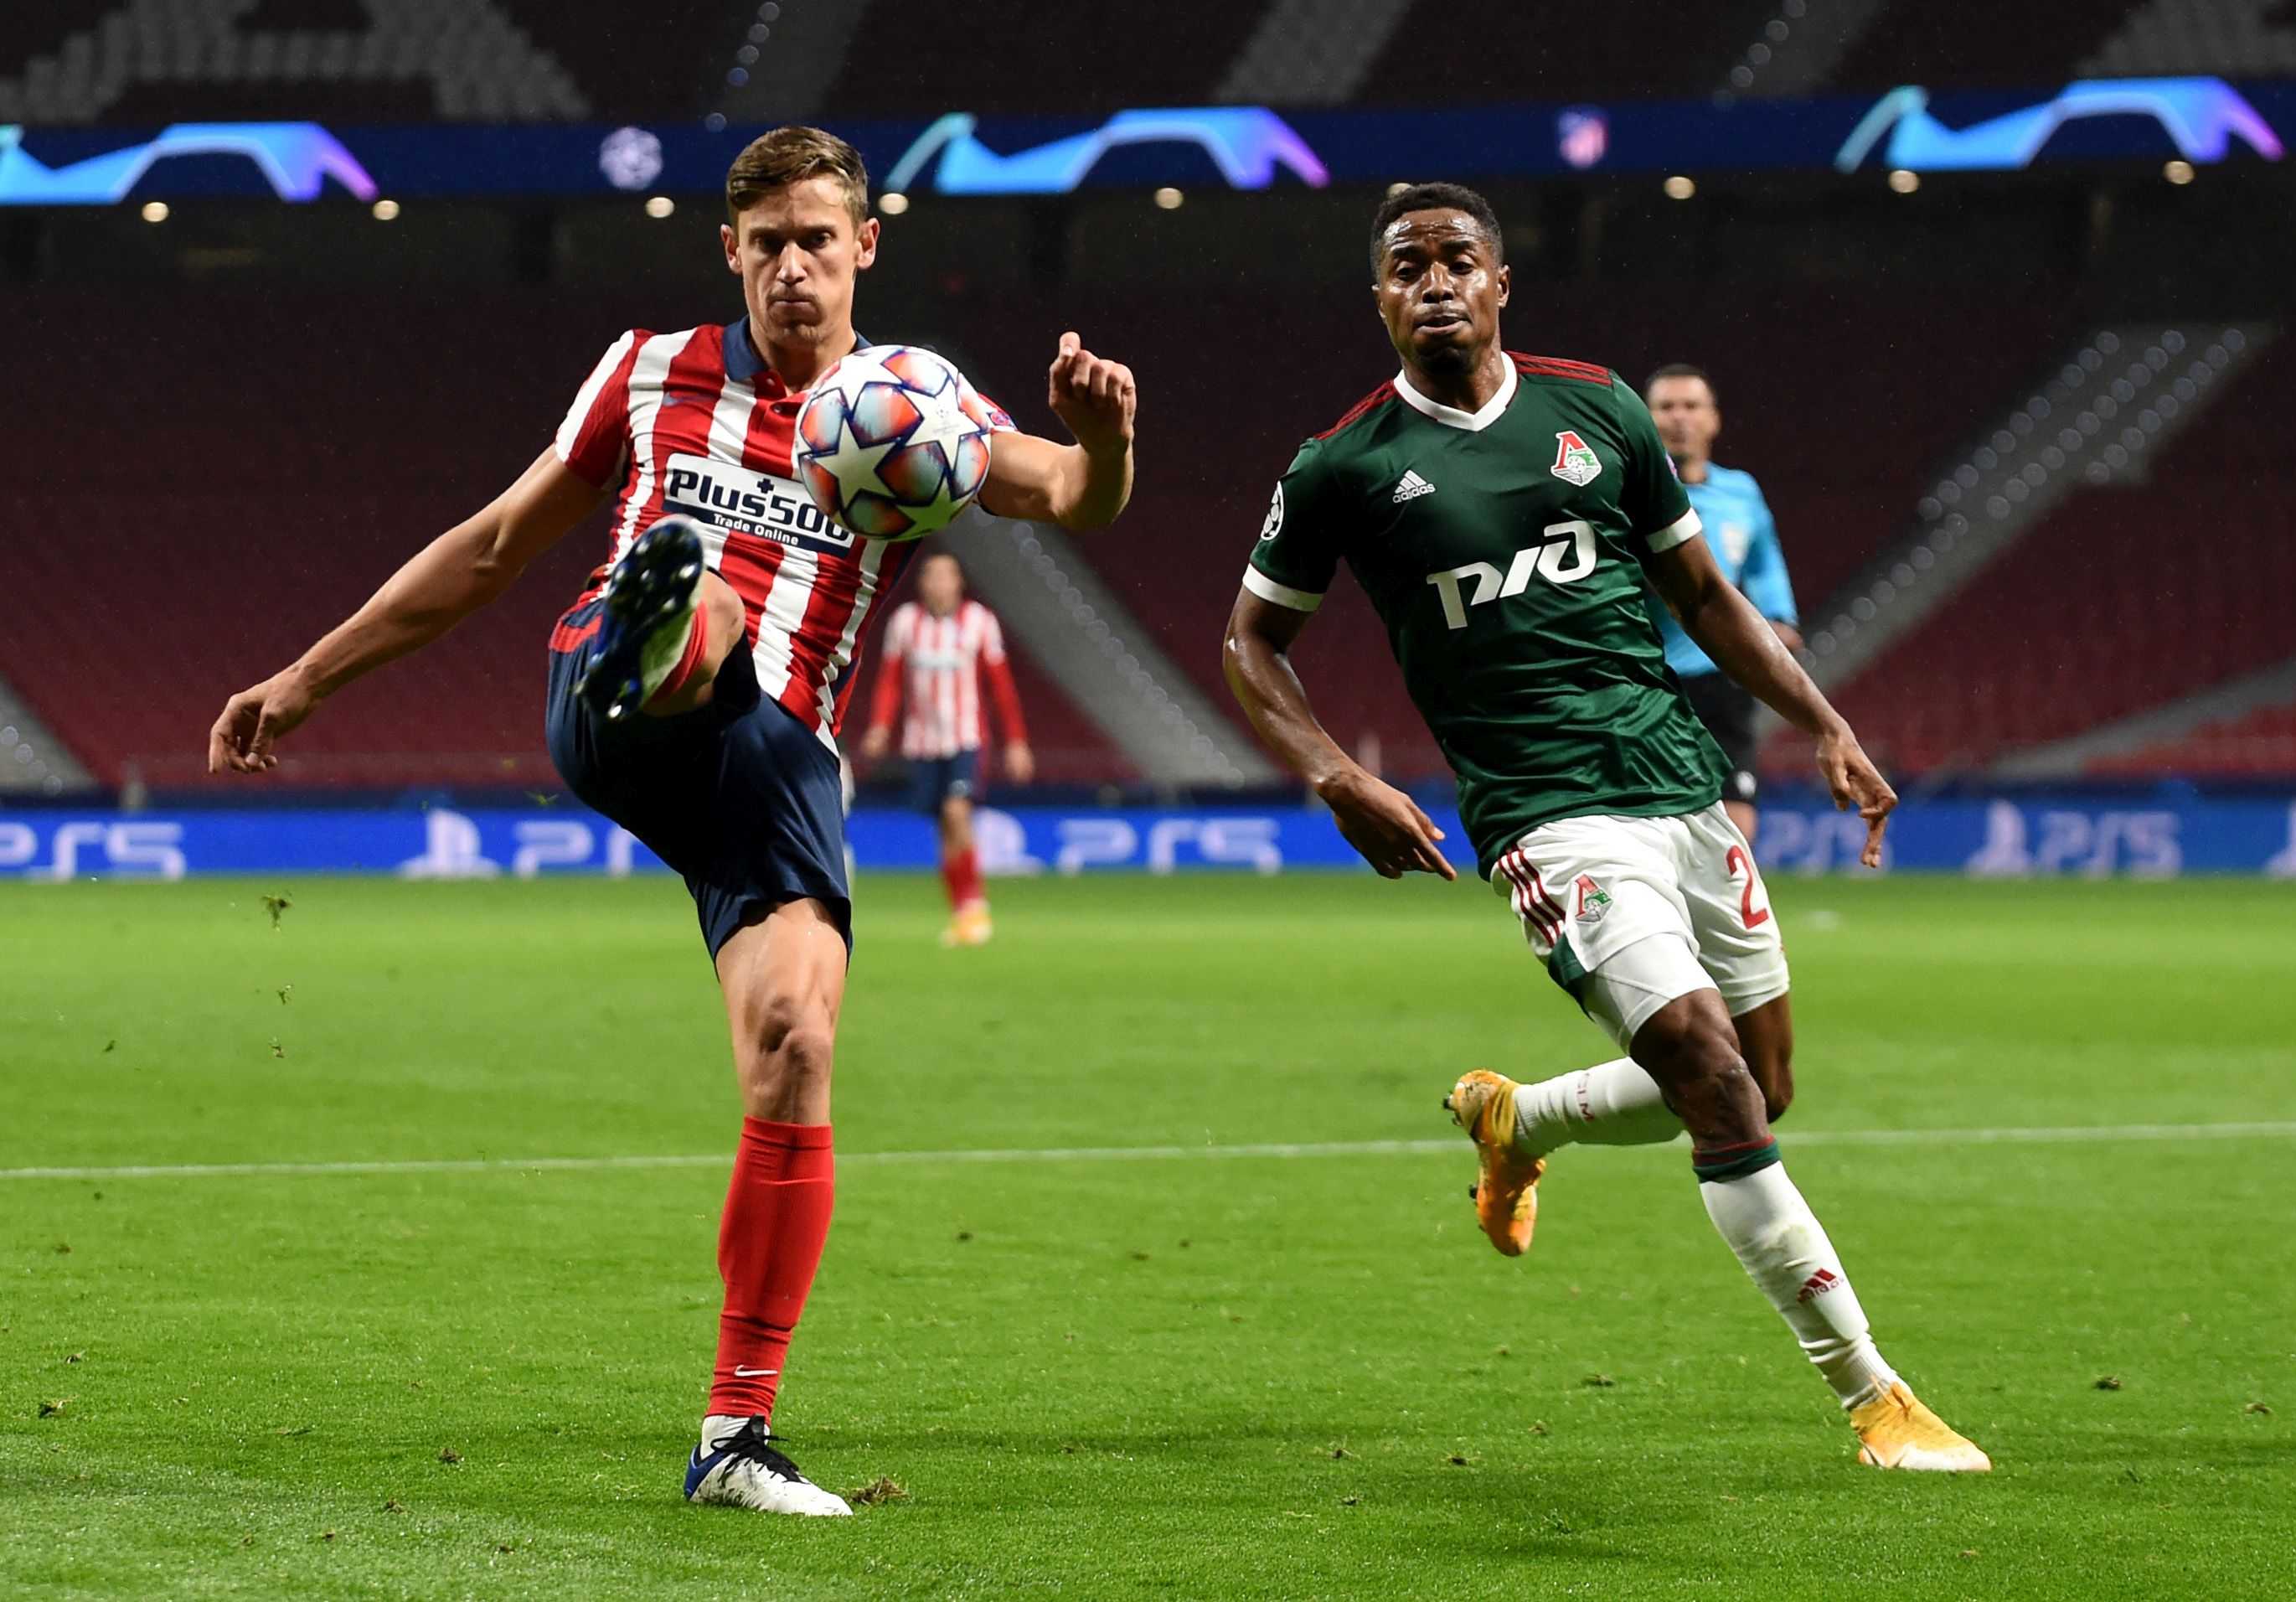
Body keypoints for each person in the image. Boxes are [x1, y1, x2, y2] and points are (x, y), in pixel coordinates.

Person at [206, 126, 1138, 1514]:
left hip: (773, 759)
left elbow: (1070, 494)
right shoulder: (648, 369)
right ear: (729, 252)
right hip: (614, 691)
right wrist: (306, 677)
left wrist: (1106, 436)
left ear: (864, 245)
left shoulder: (917, 404)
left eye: (815, 239)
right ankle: (667, 630)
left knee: (797, 1042)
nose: (791, 267)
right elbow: (492, 545)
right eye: (765, 244)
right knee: (696, 594)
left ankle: (734, 1438)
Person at [1221, 182, 1985, 1472]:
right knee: (1704, 1067)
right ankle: (1875, 1399)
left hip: (1680, 786)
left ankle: (1519, 1122)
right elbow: (1251, 641)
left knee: (1760, 1082)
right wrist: (1335, 776)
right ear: (1380, 300)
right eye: (1407, 267)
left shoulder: (1598, 409)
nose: (1434, 283)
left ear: (1499, 283)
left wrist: (1822, 721)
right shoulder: (1343, 465)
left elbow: (1707, 594)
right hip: (1545, 816)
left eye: (1457, 260)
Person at [1643, 364, 1801, 840]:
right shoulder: (1630, 490)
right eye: (1666, 407)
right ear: (1646, 419)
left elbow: (1763, 561)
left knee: (1737, 822)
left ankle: (1728, 890)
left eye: (1691, 406)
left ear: (1713, 420)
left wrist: (1779, 617)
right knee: (1653, 823)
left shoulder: (1741, 491)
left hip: (1723, 676)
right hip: (1648, 675)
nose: (1679, 417)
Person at [856, 551, 1033, 946]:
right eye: (930, 575)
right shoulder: (905, 623)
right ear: (921, 583)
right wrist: (881, 727)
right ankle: (961, 914)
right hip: (922, 742)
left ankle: (975, 907)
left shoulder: (980, 621)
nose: (938, 583)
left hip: (966, 738)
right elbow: (890, 680)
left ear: (959, 582)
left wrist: (1016, 741)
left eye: (945, 575)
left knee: (956, 812)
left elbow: (1001, 685)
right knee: (943, 827)